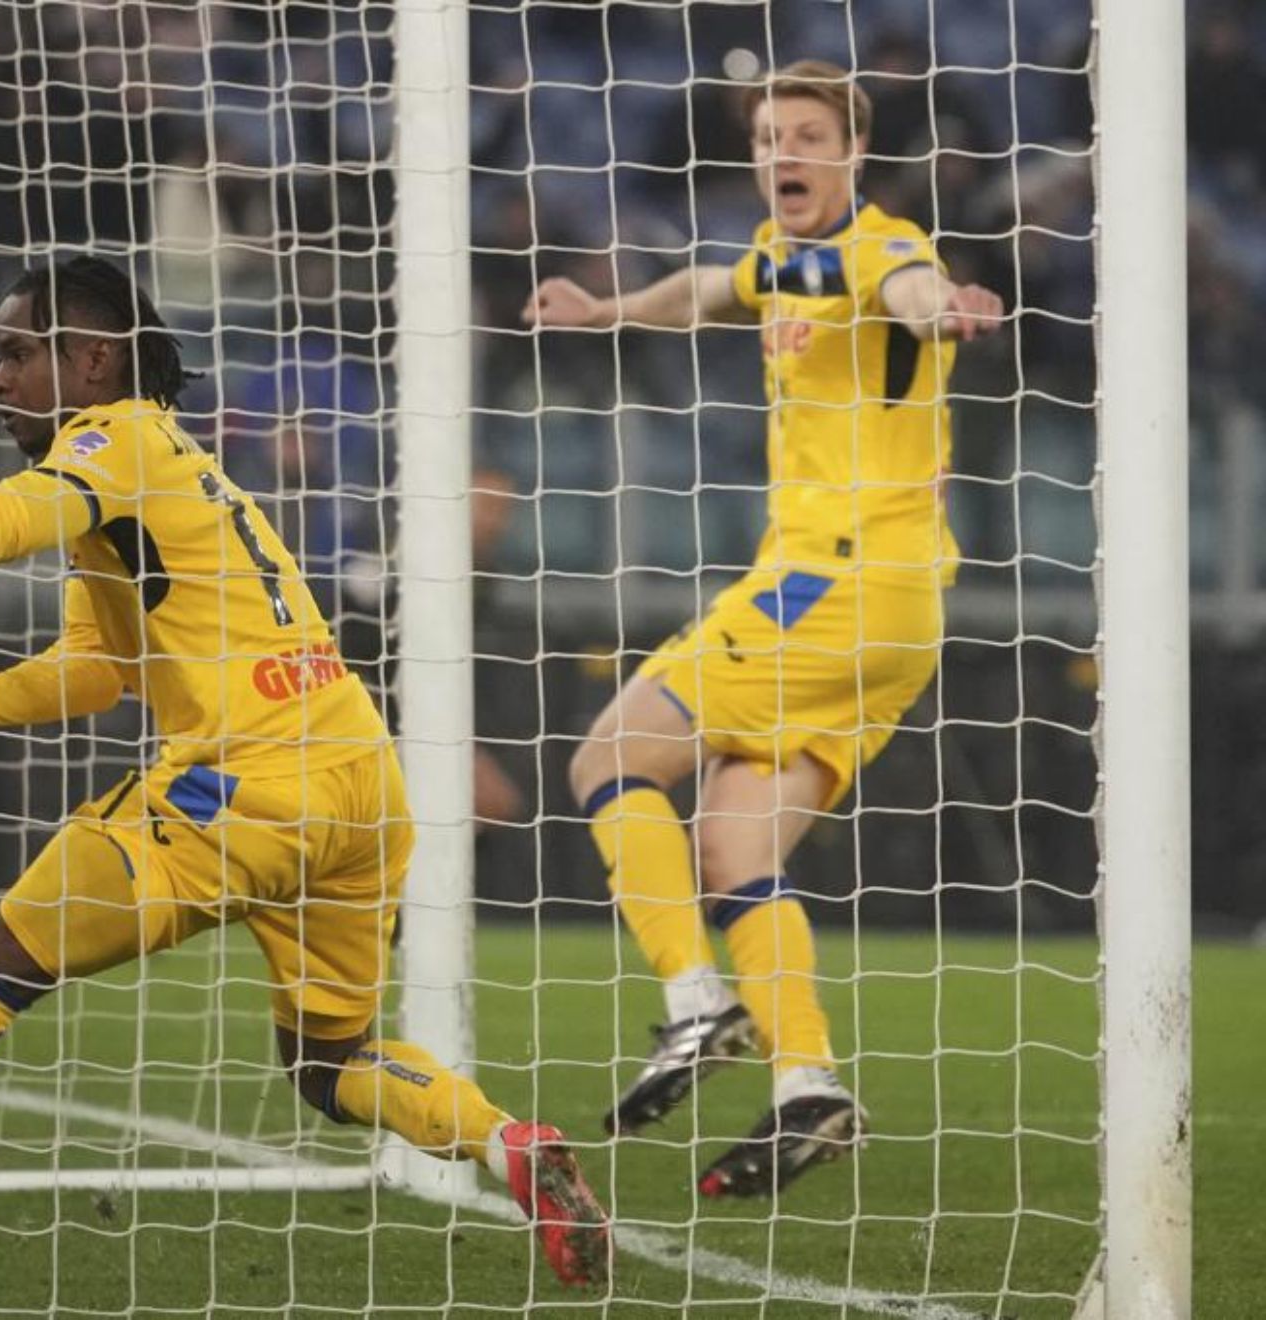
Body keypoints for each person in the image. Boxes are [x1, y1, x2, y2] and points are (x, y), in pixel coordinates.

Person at [0, 256, 611, 1287]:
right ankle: (504, 1143)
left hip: (241, 792)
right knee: (329, 1064)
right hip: (357, 786)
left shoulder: (107, 439)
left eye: (21, 353)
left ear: (96, 358)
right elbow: (93, 671)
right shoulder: (156, 465)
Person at [521, 61, 1003, 1197]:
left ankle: (695, 1001)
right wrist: (607, 311)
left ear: (849, 153)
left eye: (806, 134)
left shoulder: (883, 248)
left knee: (608, 755)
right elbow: (703, 290)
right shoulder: (782, 257)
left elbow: (915, 292)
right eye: (768, 136)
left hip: (829, 585)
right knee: (732, 851)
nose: (783, 152)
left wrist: (954, 308)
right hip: (895, 618)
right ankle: (808, 1084)